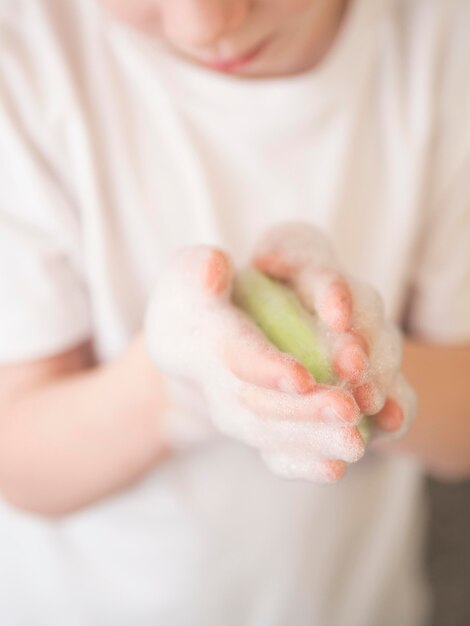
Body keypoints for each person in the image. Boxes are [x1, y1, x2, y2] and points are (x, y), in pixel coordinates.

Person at [0, 0, 468, 624]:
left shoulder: (441, 43)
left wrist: (378, 375)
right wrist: (176, 387)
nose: (204, 25)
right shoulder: (27, 62)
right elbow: (20, 457)